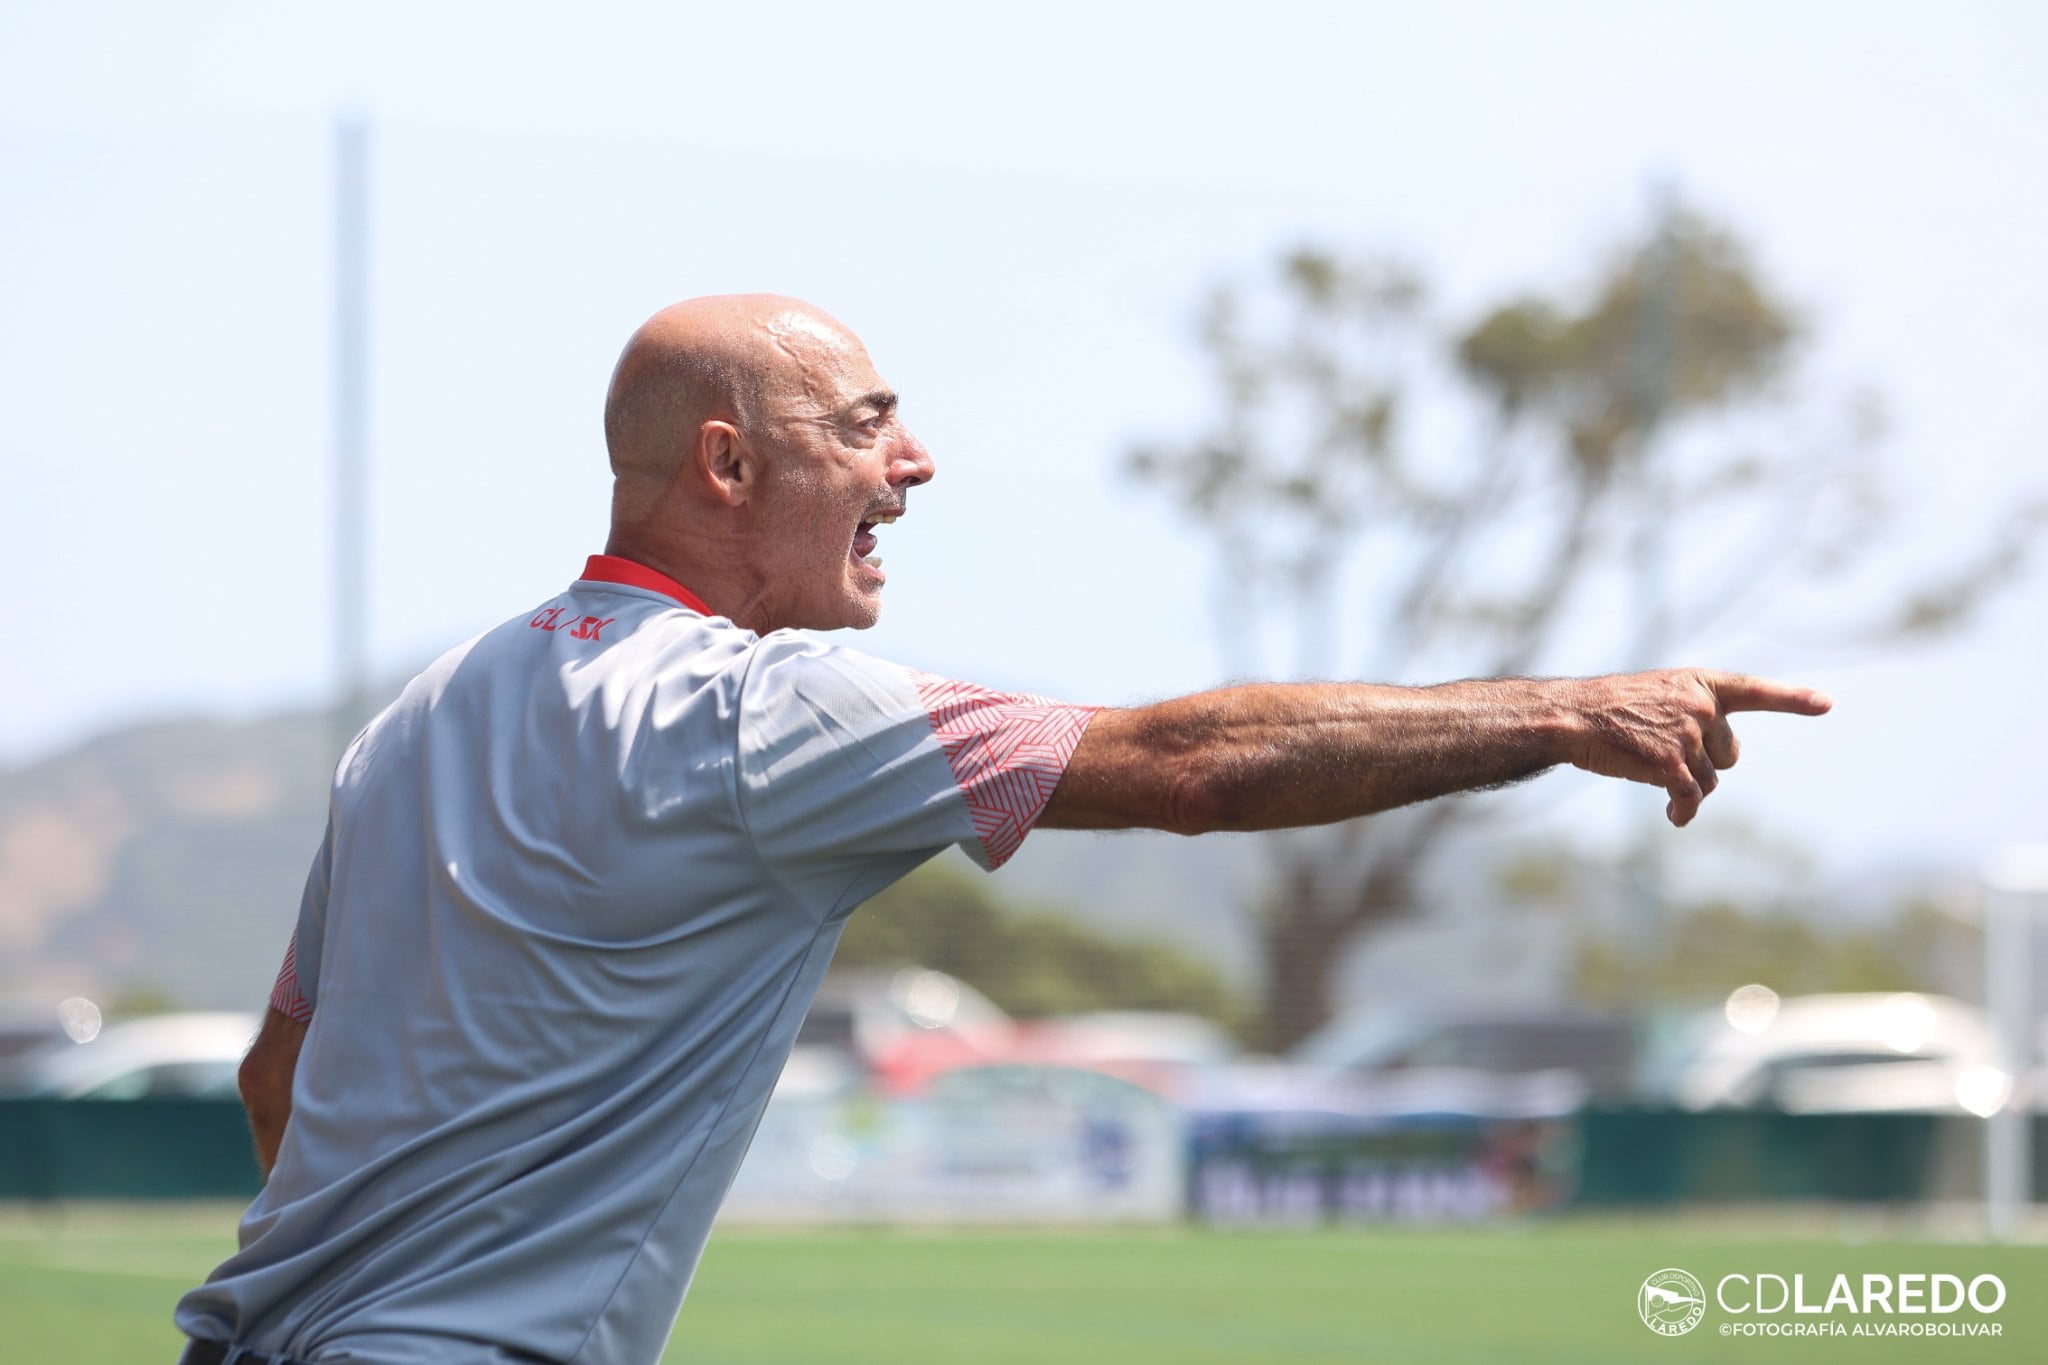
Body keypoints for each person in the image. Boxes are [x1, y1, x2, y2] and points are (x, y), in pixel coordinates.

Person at [174, 294, 1830, 1364]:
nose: (916, 461)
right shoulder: (764, 716)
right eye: (865, 423)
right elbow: (1190, 764)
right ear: (729, 465)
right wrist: (1563, 710)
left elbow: (281, 1079)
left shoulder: (418, 715)